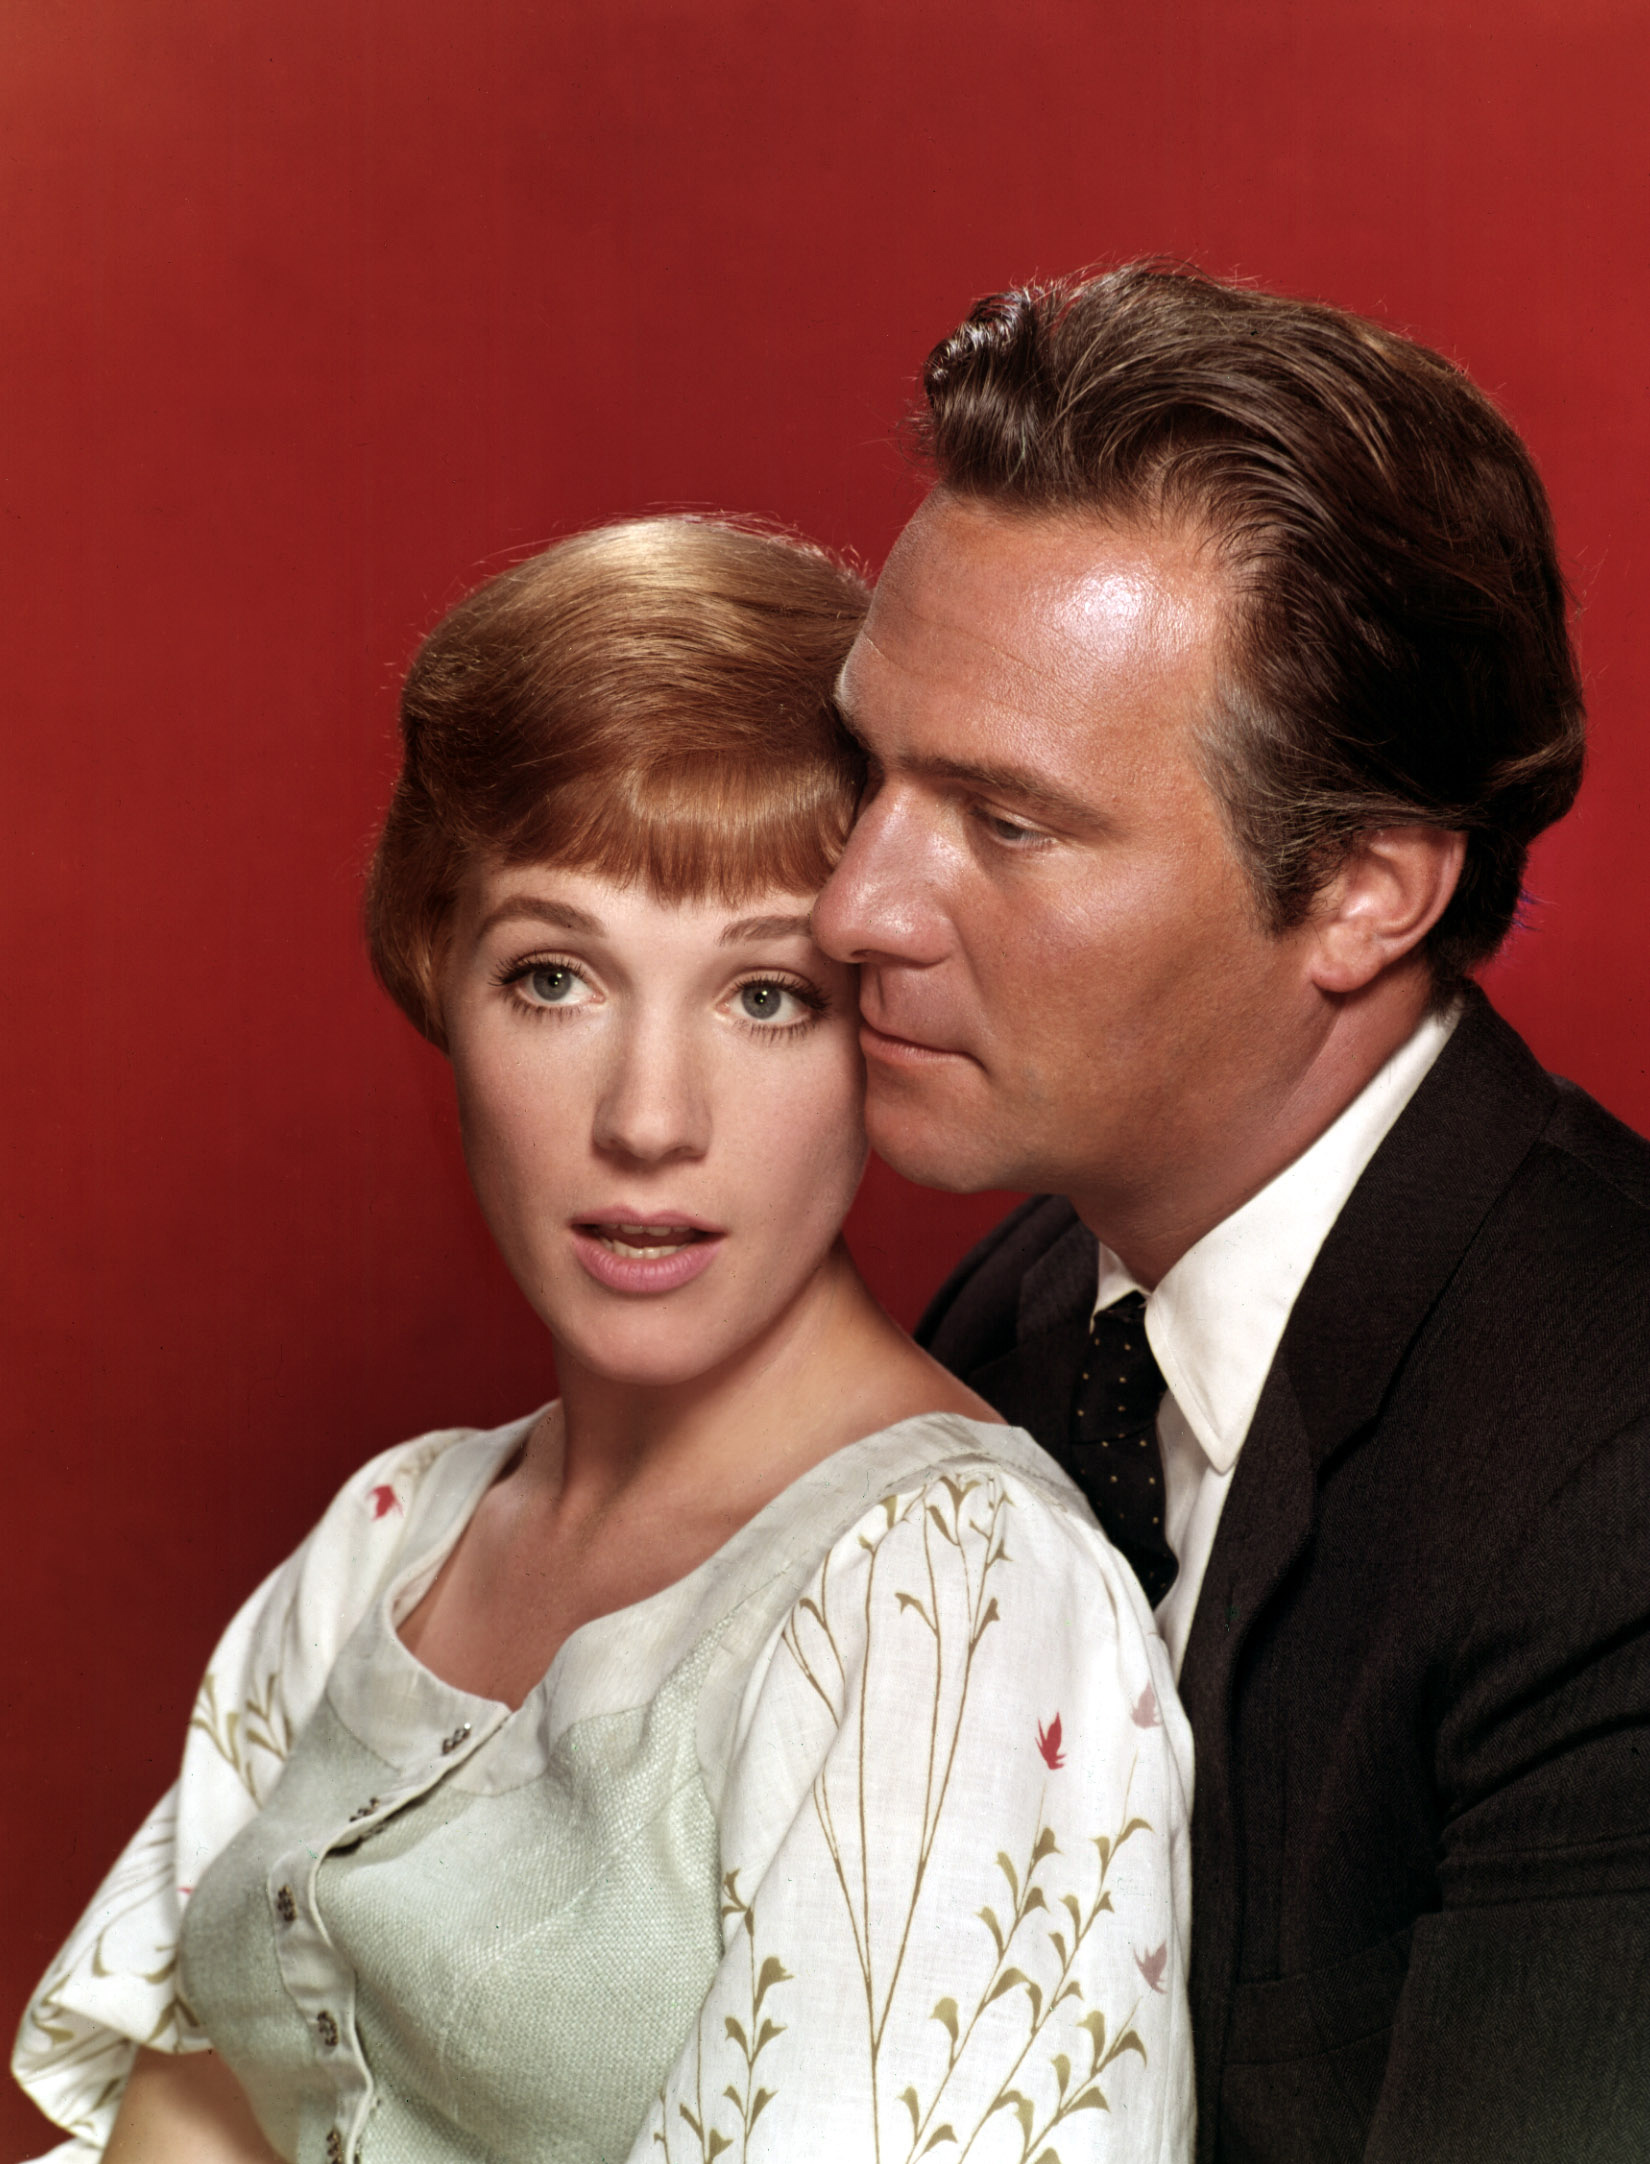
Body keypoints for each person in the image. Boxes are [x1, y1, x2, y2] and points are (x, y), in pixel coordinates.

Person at [14, 516, 1194, 2164]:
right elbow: (191, 2106)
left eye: (766, 995)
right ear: (437, 974)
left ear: (884, 1020)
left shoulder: (951, 1598)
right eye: (555, 978)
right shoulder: (392, 1536)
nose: (648, 1119)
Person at [812, 264, 1650, 2163]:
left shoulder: (1615, 1480)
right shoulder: (1019, 1316)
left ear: (1364, 889)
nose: (856, 904)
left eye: (1005, 822)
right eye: (866, 773)